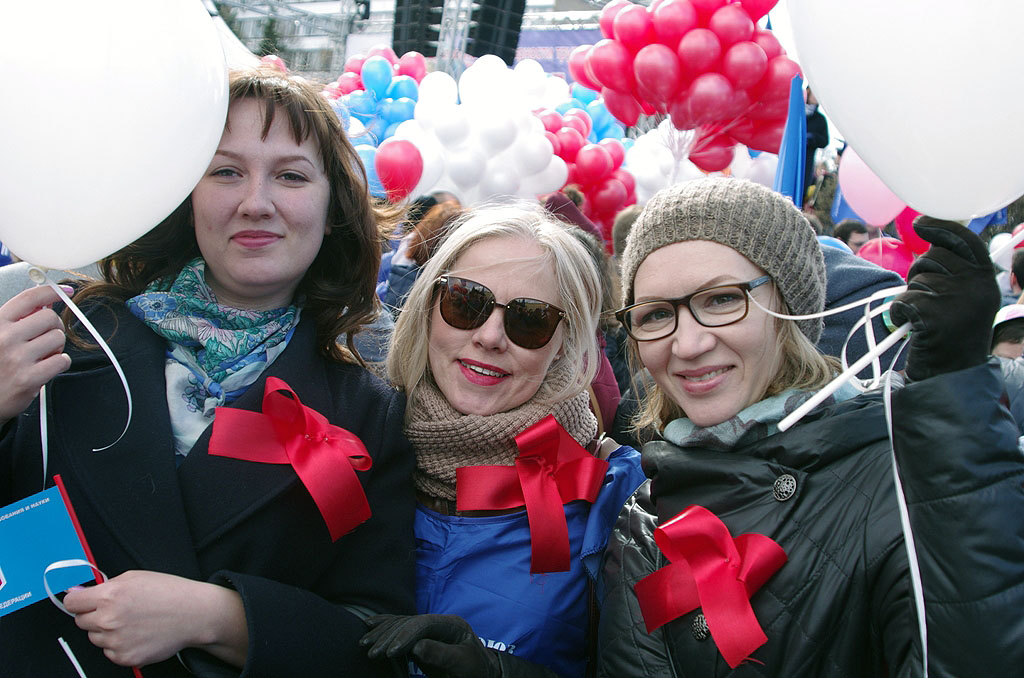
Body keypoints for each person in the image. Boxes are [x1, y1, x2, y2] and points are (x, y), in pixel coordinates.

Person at [0, 67, 416, 676]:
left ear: (332, 212)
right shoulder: (63, 337)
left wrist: (219, 617)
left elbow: (375, 644)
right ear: (183, 193)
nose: (255, 202)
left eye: (292, 176)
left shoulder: (369, 414)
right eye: (225, 171)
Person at [598, 177, 1024, 676]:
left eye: (721, 300)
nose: (688, 344)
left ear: (790, 309)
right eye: (655, 314)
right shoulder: (644, 521)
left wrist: (957, 409)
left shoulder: (902, 470)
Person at [360, 203, 646, 678]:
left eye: (530, 320)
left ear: (562, 345)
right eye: (465, 302)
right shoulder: (357, 447)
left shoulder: (614, 494)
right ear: (428, 308)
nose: (490, 336)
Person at [803, 88, 829, 204]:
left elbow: (824, 141)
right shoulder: (796, 112)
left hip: (807, 161)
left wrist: (812, 138)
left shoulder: (820, 120)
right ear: (808, 92)